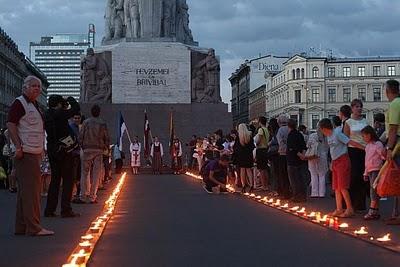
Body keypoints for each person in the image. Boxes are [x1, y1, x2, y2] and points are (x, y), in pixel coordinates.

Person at [7, 75, 54, 236]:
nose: (37, 89)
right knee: (32, 192)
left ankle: (21, 227)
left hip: (34, 151)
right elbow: (11, 123)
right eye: (33, 85)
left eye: (39, 87)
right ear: (24, 87)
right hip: (26, 152)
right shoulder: (20, 103)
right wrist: (18, 146)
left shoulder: (34, 105)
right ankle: (34, 227)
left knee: (24, 192)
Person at [44, 95, 80, 218]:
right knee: (68, 180)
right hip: (64, 148)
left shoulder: (46, 114)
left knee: (55, 179)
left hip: (52, 148)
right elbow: (76, 108)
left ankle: (49, 210)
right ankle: (66, 209)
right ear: (59, 104)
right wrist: (69, 98)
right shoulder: (61, 113)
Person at [320, 118, 364, 218]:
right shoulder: (329, 137)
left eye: (321, 130)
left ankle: (349, 208)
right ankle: (339, 208)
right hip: (335, 162)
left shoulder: (337, 133)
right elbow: (332, 150)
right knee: (336, 187)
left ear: (324, 128)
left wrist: (364, 148)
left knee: (343, 186)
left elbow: (350, 142)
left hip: (343, 160)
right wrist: (331, 162)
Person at [78, 104, 110, 204]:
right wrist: (106, 147)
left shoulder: (86, 122)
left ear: (91, 112)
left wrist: (82, 146)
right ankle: (92, 197)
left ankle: (83, 196)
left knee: (84, 173)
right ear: (99, 112)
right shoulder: (102, 123)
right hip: (98, 150)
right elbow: (106, 137)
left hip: (87, 149)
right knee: (96, 174)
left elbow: (81, 135)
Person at [343, 99, 368, 212]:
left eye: (360, 106)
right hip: (353, 151)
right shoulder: (348, 122)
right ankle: (350, 203)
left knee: (363, 176)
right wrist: (358, 145)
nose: (359, 108)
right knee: (354, 177)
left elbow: (369, 135)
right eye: (357, 106)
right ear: (352, 108)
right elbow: (346, 139)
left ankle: (361, 204)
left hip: (365, 150)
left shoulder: (365, 121)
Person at [361, 126, 385, 220]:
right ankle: (375, 210)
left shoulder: (377, 144)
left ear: (369, 135)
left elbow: (382, 156)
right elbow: (367, 160)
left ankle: (372, 210)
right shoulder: (368, 146)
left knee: (373, 190)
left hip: (377, 169)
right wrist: (365, 173)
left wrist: (384, 154)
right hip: (370, 169)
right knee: (373, 189)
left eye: (364, 136)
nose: (363, 138)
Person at [384, 80, 400, 225]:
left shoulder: (395, 104)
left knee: (397, 178)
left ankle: (398, 214)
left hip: (397, 144)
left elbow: (393, 129)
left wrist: (389, 148)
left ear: (388, 90)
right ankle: (396, 212)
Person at [286, 119, 308, 203]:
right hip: (300, 161)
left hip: (292, 160)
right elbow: (303, 146)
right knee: (301, 178)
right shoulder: (299, 134)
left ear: (288, 126)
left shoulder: (291, 135)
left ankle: (297, 196)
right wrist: (303, 155)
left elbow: (292, 148)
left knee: (294, 180)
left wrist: (299, 155)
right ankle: (303, 195)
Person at [305, 127, 329, 198]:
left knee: (313, 174)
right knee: (322, 175)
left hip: (313, 156)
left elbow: (308, 145)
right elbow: (327, 147)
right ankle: (322, 193)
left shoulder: (312, 135)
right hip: (323, 156)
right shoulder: (326, 137)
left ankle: (314, 192)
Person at [233, 123, 255, 193]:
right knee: (248, 170)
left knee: (242, 170)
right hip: (248, 155)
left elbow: (235, 148)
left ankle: (243, 185)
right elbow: (252, 146)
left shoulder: (238, 137)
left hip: (241, 156)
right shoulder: (249, 136)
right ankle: (251, 185)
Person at [276, 115, 291, 199]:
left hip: (282, 153)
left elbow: (280, 142)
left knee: (283, 174)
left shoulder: (280, 130)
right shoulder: (289, 129)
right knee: (290, 174)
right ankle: (291, 190)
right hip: (290, 153)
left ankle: (285, 192)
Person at [254, 116, 270, 191]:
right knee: (265, 168)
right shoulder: (267, 130)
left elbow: (259, 140)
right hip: (266, 149)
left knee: (261, 169)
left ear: (260, 122)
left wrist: (255, 143)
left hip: (260, 149)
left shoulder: (261, 129)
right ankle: (266, 185)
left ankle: (264, 186)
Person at [69, 113, 82, 203]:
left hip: (79, 153)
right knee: (73, 174)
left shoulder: (80, 128)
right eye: (75, 118)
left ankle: (77, 192)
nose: (76, 119)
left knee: (78, 174)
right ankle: (72, 194)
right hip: (73, 153)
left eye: (78, 118)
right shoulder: (70, 127)